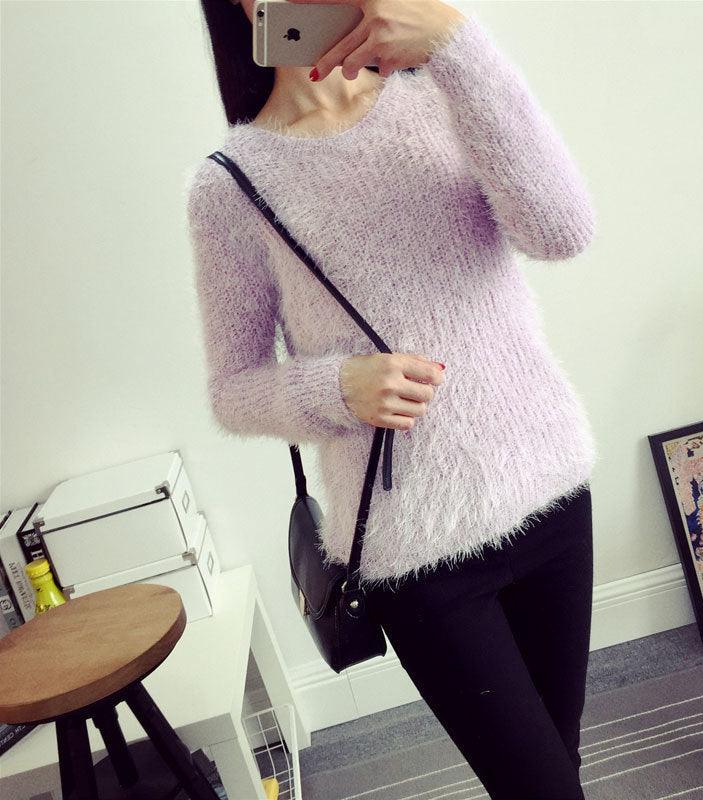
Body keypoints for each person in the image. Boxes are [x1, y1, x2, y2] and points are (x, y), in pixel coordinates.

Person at [185, 1, 597, 797]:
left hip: (548, 491)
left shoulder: (442, 89)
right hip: (416, 556)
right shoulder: (230, 186)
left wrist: (459, 45)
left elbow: (562, 231)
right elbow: (232, 390)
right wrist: (336, 387)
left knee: (559, 769)